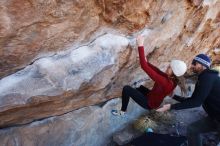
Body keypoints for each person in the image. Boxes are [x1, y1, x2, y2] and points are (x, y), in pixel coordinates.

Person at [111, 35, 187, 116]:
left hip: (149, 103)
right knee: (139, 88)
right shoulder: (172, 79)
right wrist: (146, 62)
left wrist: (140, 45)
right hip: (152, 97)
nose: (167, 67)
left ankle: (122, 112)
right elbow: (156, 70)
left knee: (127, 89)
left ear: (174, 72)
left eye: (169, 67)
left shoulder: (166, 82)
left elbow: (144, 66)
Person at [156, 54, 220, 146]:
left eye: (194, 63)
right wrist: (174, 96)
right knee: (193, 129)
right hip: (215, 117)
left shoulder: (208, 78)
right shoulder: (203, 78)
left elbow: (196, 103)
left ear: (202, 65)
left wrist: (170, 106)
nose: (192, 66)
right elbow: (193, 99)